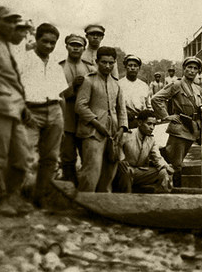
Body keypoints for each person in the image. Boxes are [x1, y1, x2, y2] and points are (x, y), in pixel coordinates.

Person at [152, 57, 202, 190]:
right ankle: (174, 191)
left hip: (198, 126)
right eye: (189, 68)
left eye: (195, 68)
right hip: (181, 126)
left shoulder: (197, 88)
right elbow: (156, 99)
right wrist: (166, 116)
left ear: (199, 71)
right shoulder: (176, 84)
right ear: (184, 69)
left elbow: (198, 104)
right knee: (175, 164)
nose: (192, 71)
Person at [17, 23, 68, 206]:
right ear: (36, 39)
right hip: (30, 110)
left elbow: (60, 94)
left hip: (53, 111)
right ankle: (18, 198)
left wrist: (60, 121)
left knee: (51, 158)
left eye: (52, 43)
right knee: (25, 157)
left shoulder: (55, 66)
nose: (48, 46)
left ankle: (41, 198)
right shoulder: (23, 61)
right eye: (45, 41)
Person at [0, 7, 33, 216]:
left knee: (22, 157)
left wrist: (23, 106)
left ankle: (11, 196)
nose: (11, 25)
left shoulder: (7, 46)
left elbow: (13, 81)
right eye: (6, 21)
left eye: (13, 22)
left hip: (15, 108)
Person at [75, 46, 128, 192]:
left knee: (109, 173)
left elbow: (121, 109)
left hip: (113, 134)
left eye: (111, 63)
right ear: (97, 61)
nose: (108, 66)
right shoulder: (88, 80)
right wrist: (96, 123)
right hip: (92, 133)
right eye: (104, 62)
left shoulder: (116, 84)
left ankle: (103, 205)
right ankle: (85, 205)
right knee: (91, 171)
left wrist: (122, 129)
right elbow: (80, 106)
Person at [59, 34, 95, 184]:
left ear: (84, 48)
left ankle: (85, 193)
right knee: (68, 158)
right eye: (72, 44)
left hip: (85, 121)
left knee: (89, 158)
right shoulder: (59, 67)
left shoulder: (90, 67)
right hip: (66, 119)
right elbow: (57, 93)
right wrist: (72, 86)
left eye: (79, 45)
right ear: (66, 46)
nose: (75, 47)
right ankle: (69, 189)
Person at [114, 110, 173, 193]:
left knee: (163, 172)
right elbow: (117, 148)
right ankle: (126, 200)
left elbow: (157, 157)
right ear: (140, 123)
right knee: (126, 171)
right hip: (123, 172)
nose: (152, 127)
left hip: (139, 172)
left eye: (154, 125)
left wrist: (165, 167)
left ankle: (160, 200)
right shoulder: (127, 135)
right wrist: (121, 160)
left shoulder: (151, 139)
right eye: (149, 124)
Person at [118, 54, 152, 129]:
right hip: (125, 122)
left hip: (141, 122)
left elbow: (149, 106)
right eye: (130, 65)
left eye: (135, 66)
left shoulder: (144, 86)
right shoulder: (119, 84)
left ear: (139, 68)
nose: (132, 68)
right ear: (125, 67)